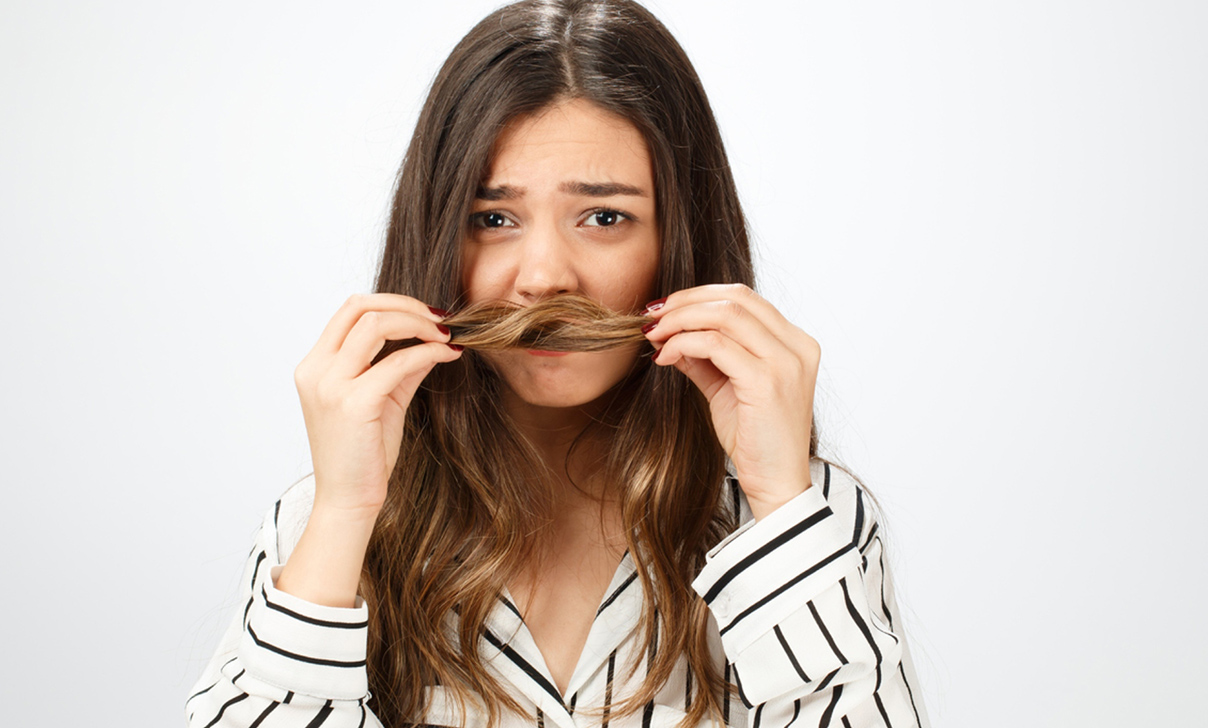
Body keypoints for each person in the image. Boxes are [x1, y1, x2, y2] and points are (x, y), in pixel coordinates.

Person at [185, 1, 930, 726]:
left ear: (680, 244)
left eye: (605, 217)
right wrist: (344, 513)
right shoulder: (322, 525)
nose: (543, 278)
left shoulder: (808, 518)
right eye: (493, 219)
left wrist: (777, 498)